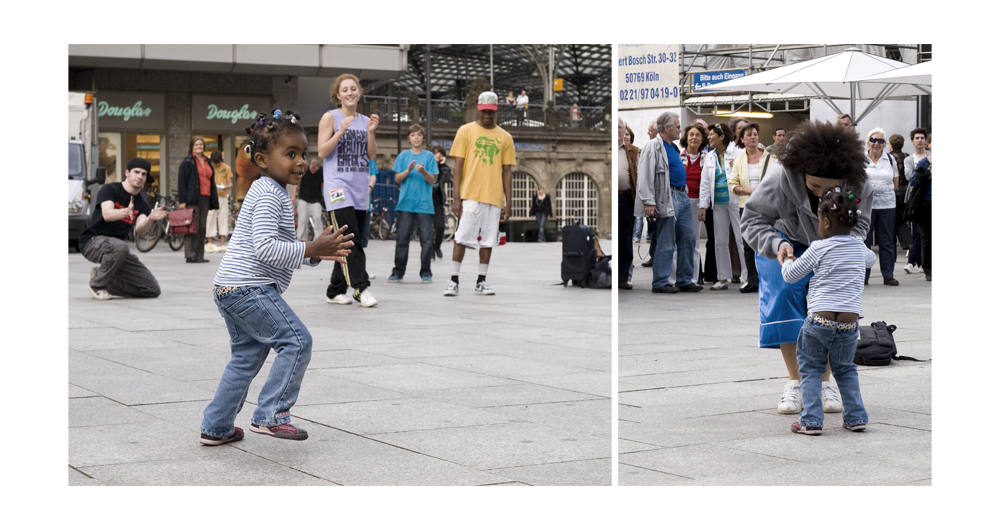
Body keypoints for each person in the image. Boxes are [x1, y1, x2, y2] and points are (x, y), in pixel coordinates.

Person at [200, 108, 355, 446]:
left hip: (231, 288)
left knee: (245, 359)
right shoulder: (271, 193)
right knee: (297, 341)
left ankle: (216, 426)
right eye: (290, 154)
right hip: (248, 288)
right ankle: (271, 415)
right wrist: (311, 247)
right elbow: (266, 250)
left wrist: (315, 252)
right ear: (262, 159)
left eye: (303, 154)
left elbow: (277, 246)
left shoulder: (268, 190)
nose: (300, 162)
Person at [741, 120, 873, 416]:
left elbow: (861, 223)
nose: (820, 196)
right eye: (814, 187)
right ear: (801, 173)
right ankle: (796, 381)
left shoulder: (860, 181)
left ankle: (825, 382)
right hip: (785, 241)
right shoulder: (779, 178)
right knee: (785, 292)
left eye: (830, 190)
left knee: (827, 304)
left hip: (834, 241)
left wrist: (841, 246)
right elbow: (752, 221)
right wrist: (776, 245)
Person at [782, 188, 874, 435]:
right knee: (845, 369)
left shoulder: (818, 247)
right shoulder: (859, 246)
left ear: (825, 221)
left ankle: (811, 420)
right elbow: (870, 259)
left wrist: (787, 260)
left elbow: (791, 276)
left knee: (811, 368)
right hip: (849, 325)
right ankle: (855, 418)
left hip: (818, 322)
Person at [445, 91, 515, 296]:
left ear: (496, 110)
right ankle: (453, 280)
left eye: (491, 112)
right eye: (484, 111)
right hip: (471, 195)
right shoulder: (465, 131)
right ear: (478, 108)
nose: (487, 115)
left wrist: (508, 202)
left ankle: (481, 281)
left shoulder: (505, 137)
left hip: (493, 196)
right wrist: (456, 197)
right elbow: (458, 166)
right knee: (461, 236)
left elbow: (507, 172)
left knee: (488, 240)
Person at [319, 73, 380, 308]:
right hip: (338, 187)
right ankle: (360, 289)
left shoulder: (365, 121)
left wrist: (371, 132)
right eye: (345, 90)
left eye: (353, 88)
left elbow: (371, 156)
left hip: (359, 188)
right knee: (349, 237)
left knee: (348, 240)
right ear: (338, 95)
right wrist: (340, 131)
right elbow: (323, 152)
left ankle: (335, 290)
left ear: (359, 92)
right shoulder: (330, 117)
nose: (350, 93)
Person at [79, 157, 168, 300]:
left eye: (143, 174)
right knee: (121, 247)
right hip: (92, 241)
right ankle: (97, 284)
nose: (139, 176)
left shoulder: (142, 205)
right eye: (136, 172)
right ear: (127, 173)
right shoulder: (110, 189)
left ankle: (103, 278)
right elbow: (107, 214)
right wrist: (126, 212)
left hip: (117, 248)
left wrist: (150, 219)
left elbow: (140, 230)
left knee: (152, 289)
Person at [635, 111, 702, 294]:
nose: (680, 130)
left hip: (682, 196)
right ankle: (660, 282)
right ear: (667, 128)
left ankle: (684, 279)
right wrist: (649, 202)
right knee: (667, 240)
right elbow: (645, 175)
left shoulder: (672, 147)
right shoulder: (653, 147)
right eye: (678, 126)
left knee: (688, 238)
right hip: (668, 196)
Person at [730, 122, 776, 293]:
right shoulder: (739, 161)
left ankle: (769, 279)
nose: (753, 137)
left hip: (768, 206)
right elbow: (732, 184)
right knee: (748, 245)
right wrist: (748, 190)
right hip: (747, 205)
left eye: (755, 134)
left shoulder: (770, 158)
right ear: (742, 139)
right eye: (749, 134)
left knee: (767, 241)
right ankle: (753, 280)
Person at [389, 124, 438, 283]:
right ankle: (398, 271)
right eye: (413, 135)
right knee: (402, 239)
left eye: (419, 135)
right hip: (406, 204)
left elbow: (432, 180)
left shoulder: (429, 156)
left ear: (423, 138)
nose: (416, 138)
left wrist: (423, 171)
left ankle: (426, 272)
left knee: (426, 240)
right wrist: (409, 170)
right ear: (409, 138)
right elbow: (397, 179)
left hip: (424, 205)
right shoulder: (403, 156)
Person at [699, 123, 745, 291]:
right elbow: (704, 184)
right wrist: (703, 206)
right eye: (709, 134)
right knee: (720, 241)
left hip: (735, 202)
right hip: (718, 204)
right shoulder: (709, 156)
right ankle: (723, 278)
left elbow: (746, 173)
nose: (709, 137)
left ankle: (747, 277)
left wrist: (738, 165)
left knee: (741, 239)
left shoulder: (738, 152)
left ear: (722, 136)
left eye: (712, 134)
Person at [861, 127, 899, 286]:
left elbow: (895, 183)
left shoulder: (890, 159)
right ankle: (864, 276)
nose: (876, 143)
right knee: (865, 241)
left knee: (887, 241)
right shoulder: (861, 159)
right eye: (873, 140)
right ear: (868, 142)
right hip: (866, 207)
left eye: (880, 141)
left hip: (887, 206)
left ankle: (888, 275)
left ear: (885, 144)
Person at [177, 136, 220, 263]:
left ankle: (199, 254)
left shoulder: (207, 161)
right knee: (192, 227)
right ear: (192, 147)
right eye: (196, 145)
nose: (199, 147)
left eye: (201, 144)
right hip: (192, 198)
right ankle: (190, 254)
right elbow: (181, 182)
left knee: (202, 227)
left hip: (205, 197)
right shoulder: (187, 161)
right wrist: (182, 201)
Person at [680, 123, 709, 285]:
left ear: (702, 139)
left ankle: (694, 278)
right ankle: (680, 276)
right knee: (681, 241)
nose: (694, 138)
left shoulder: (707, 158)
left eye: (697, 135)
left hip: (698, 203)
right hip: (681, 201)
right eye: (691, 134)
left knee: (695, 242)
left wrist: (703, 206)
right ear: (686, 138)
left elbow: (706, 184)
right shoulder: (679, 156)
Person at [903, 127, 930, 275]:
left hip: (929, 198)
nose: (920, 140)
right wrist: (926, 173)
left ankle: (920, 262)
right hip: (915, 199)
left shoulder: (932, 156)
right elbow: (909, 176)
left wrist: (921, 173)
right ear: (912, 141)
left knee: (927, 234)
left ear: (926, 141)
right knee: (916, 232)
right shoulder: (909, 159)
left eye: (922, 138)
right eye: (917, 138)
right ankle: (913, 261)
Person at [618, 118, 640, 290]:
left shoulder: (633, 151)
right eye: (616, 127)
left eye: (620, 128)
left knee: (625, 238)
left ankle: (624, 277)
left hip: (626, 198)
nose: (618, 131)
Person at [887, 134, 910, 255]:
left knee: (891, 222)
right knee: (901, 219)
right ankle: (907, 243)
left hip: (893, 193)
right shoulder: (907, 156)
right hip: (905, 193)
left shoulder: (889, 158)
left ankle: (893, 250)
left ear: (890, 145)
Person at [206, 150, 233, 251]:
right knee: (210, 218)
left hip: (222, 195)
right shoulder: (209, 167)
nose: (217, 164)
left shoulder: (226, 167)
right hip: (211, 195)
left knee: (223, 218)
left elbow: (230, 183)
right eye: (215, 162)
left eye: (218, 162)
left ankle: (222, 244)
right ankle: (210, 244)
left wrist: (226, 187)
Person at [296, 158, 325, 243]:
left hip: (316, 198)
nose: (313, 171)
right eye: (312, 169)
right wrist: (294, 195)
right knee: (302, 219)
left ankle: (319, 238)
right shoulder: (304, 170)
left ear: (318, 168)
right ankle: (300, 238)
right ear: (309, 166)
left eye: (315, 169)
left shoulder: (321, 171)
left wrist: (325, 197)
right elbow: (297, 182)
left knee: (317, 217)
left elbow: (323, 184)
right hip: (304, 197)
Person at [431, 146, 453, 259]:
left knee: (440, 226)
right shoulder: (428, 164)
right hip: (427, 200)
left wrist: (443, 165)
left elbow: (447, 179)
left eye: (440, 153)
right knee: (428, 227)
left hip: (438, 201)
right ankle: (430, 250)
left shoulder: (443, 168)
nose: (438, 154)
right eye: (435, 152)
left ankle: (437, 246)